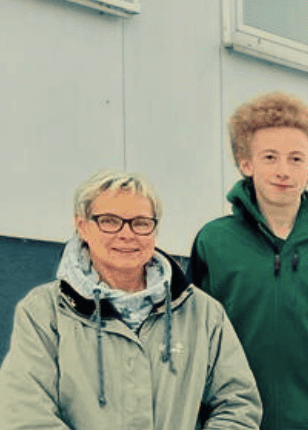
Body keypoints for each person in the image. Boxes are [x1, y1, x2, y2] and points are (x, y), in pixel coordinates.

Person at [0, 170, 261, 429]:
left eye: (140, 222)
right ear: (82, 226)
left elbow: (237, 404)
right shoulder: (45, 312)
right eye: (110, 221)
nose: (127, 234)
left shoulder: (202, 313)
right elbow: (24, 413)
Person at [189, 92, 308, 429]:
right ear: (245, 162)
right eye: (269, 157)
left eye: (296, 159)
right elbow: (191, 345)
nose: (283, 171)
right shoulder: (214, 243)